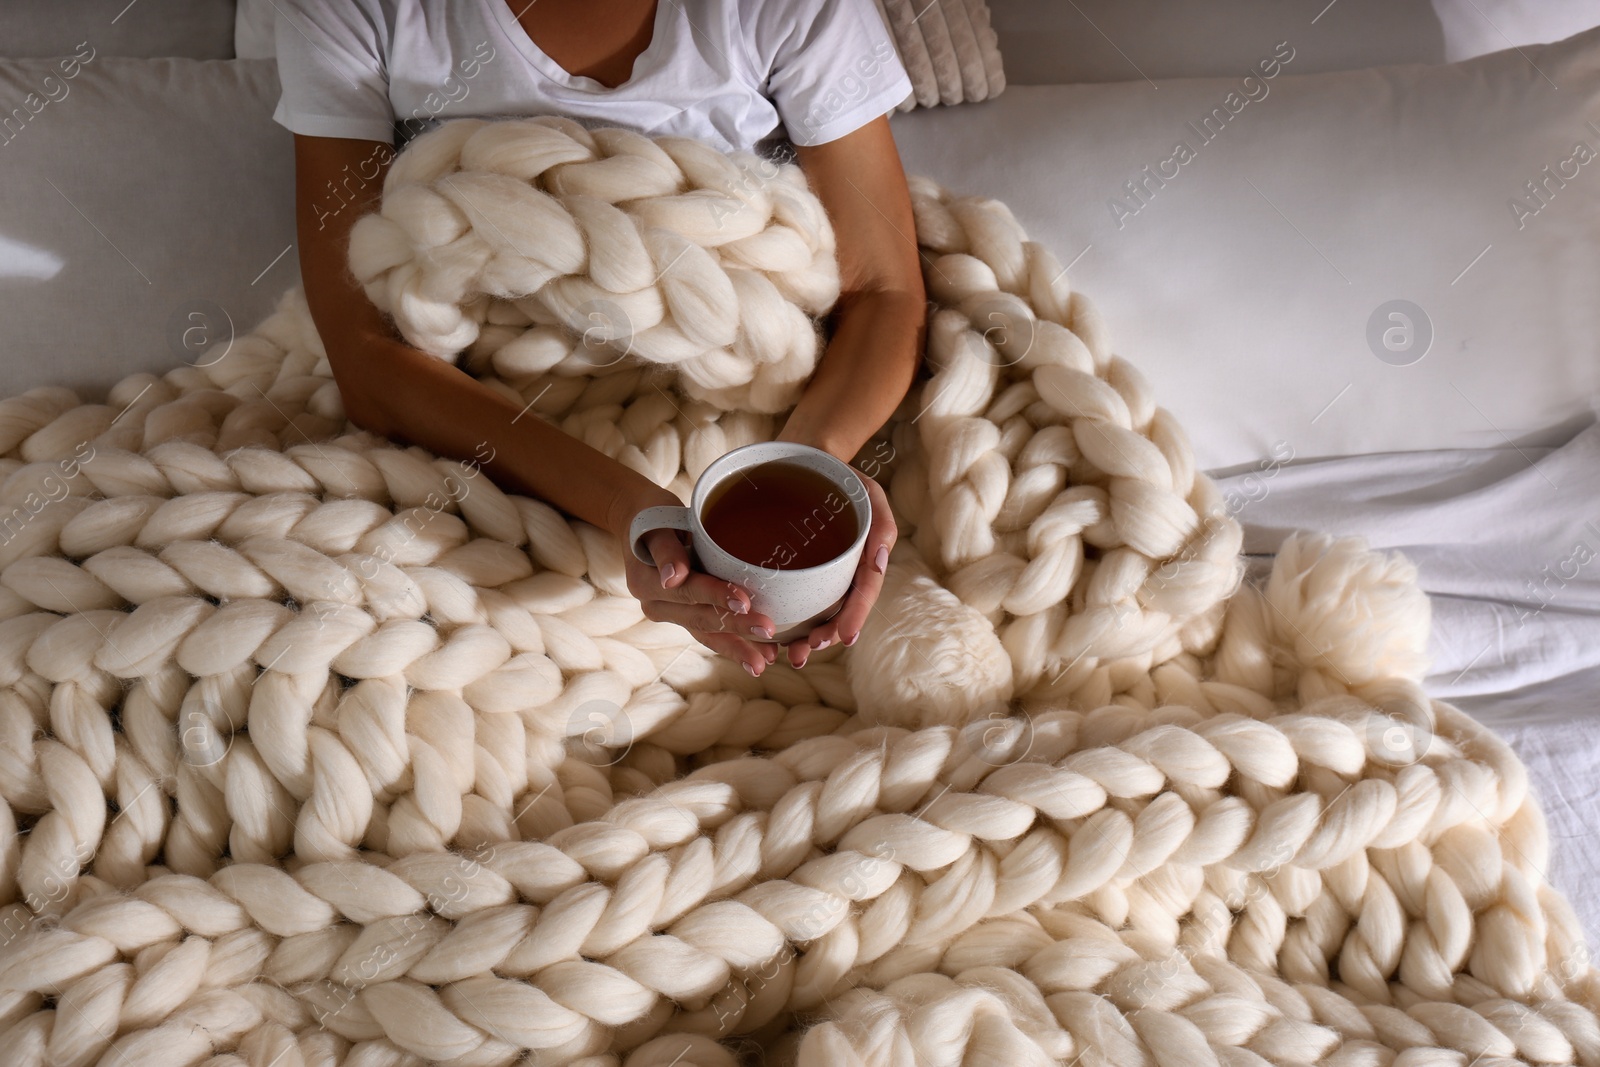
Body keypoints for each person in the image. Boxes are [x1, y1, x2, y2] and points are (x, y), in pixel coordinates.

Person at [273, 0, 926, 677]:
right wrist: (622, 506)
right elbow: (364, 351)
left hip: (746, 426)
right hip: (469, 430)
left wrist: (806, 469)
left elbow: (884, 291)